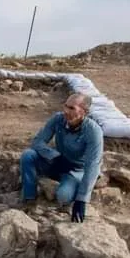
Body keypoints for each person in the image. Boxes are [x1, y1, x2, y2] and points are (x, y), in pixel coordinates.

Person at [20, 92, 102, 223]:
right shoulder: (58, 119)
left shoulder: (93, 131)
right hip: (57, 163)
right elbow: (37, 142)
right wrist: (54, 156)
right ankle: (29, 199)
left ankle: (74, 188)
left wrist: (81, 199)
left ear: (84, 112)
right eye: (65, 106)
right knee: (28, 155)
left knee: (63, 196)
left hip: (75, 170)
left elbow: (93, 165)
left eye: (71, 108)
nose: (66, 111)